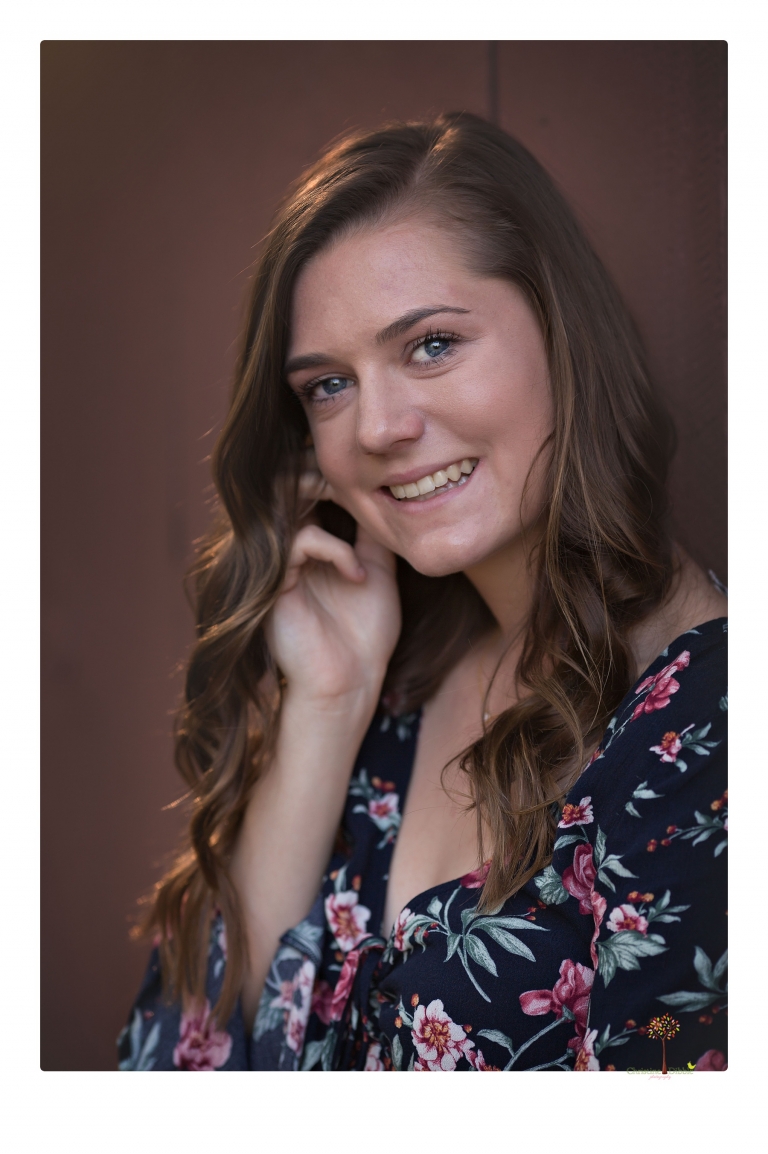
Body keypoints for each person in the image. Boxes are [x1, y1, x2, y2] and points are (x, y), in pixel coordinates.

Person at [118, 113, 727, 1073]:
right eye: (328, 387)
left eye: (432, 344)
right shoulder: (394, 688)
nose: (378, 427)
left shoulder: (711, 728)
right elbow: (167, 1074)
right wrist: (329, 700)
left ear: (563, 333)